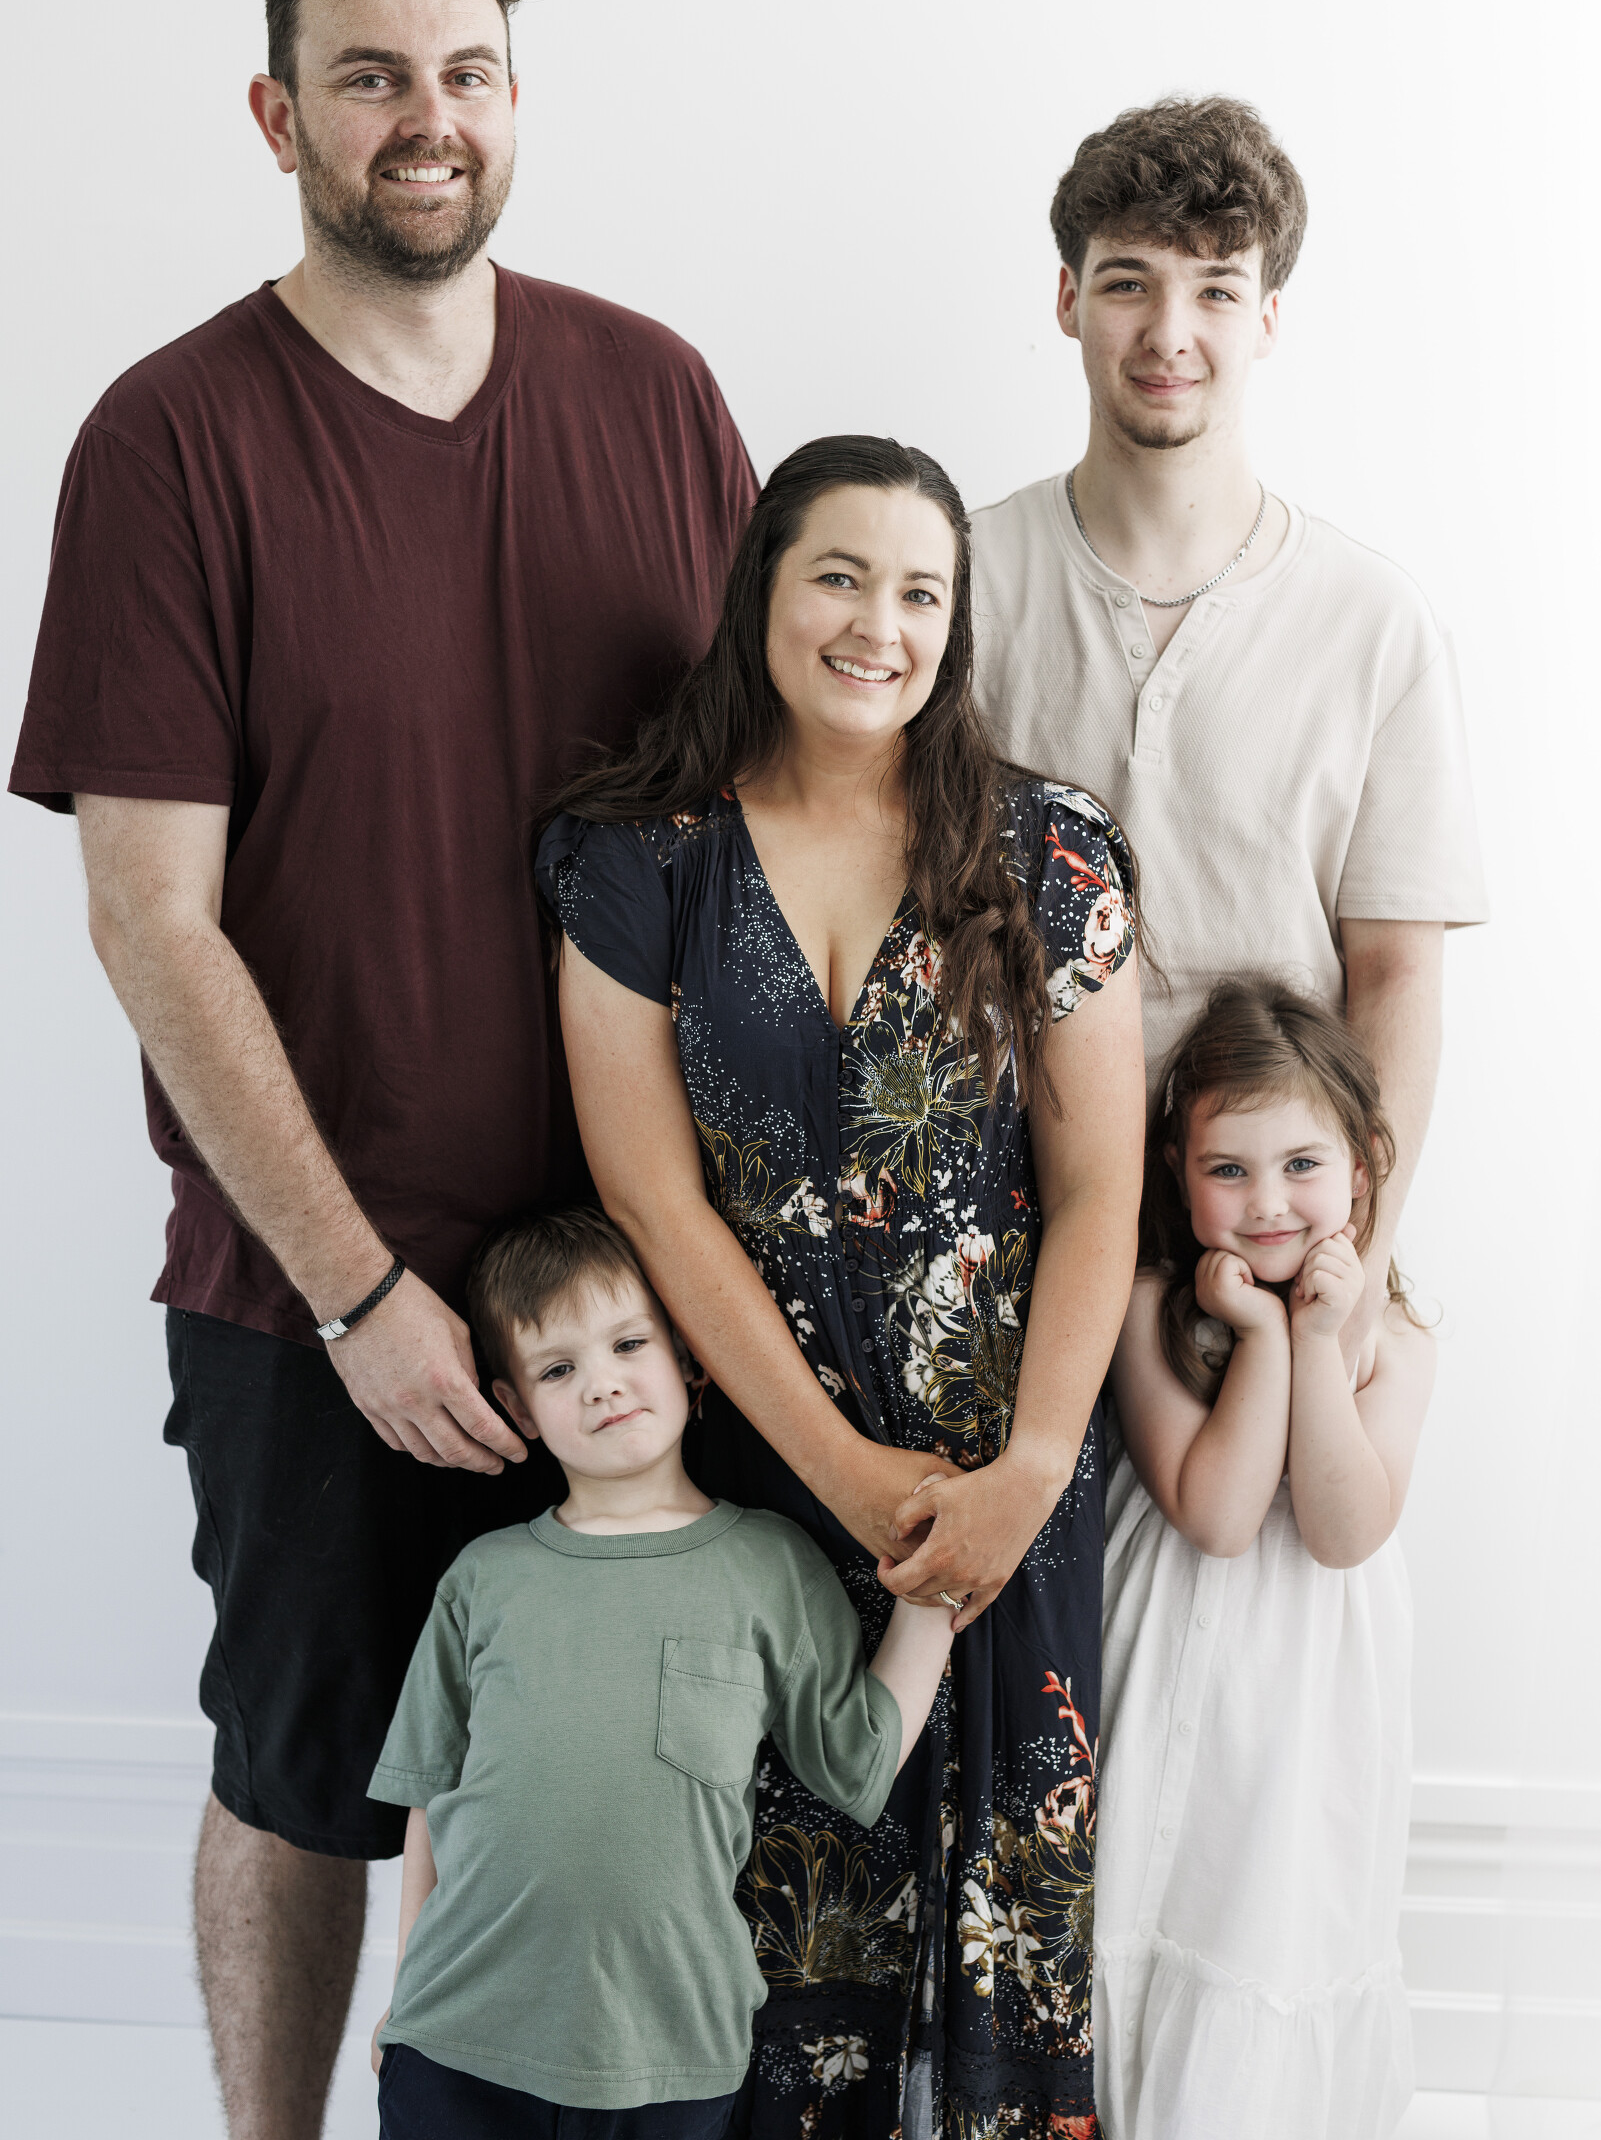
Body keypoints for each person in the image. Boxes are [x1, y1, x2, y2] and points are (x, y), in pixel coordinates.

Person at [7, 0, 755, 2138]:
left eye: (464, 74)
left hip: (635, 1276)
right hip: (318, 1290)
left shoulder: (654, 395)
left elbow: (772, 807)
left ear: (515, 101)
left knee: (603, 1776)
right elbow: (151, 922)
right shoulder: (170, 442)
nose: (425, 121)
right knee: (306, 1776)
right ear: (277, 116)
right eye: (367, 78)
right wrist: (355, 1293)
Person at [535, 435, 1147, 2139]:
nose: (882, 625)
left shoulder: (1050, 850)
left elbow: (1101, 1190)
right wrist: (844, 1473)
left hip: (1005, 1491)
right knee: (771, 1951)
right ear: (763, 593)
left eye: (922, 593)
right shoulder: (635, 858)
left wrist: (1028, 1471)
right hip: (753, 1484)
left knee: (1006, 1930)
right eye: (841, 577)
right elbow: (652, 1200)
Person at [969, 95, 1486, 1356]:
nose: (1168, 333)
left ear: (1265, 318)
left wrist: (1351, 1277)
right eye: (1127, 283)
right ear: (1066, 300)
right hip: (1005, 1245)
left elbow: (1395, 973)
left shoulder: (1374, 623)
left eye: (1214, 289)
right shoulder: (954, 587)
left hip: (1272, 1261)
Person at [367, 1204, 956, 2138]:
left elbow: (860, 1756)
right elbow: (429, 1797)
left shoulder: (768, 1564)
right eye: (558, 1369)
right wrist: (404, 1994)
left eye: (628, 1344)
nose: (602, 1384)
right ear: (517, 1408)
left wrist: (940, 1588)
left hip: (673, 2057)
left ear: (687, 1355)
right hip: (456, 2047)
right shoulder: (484, 1578)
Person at [1094, 977, 1436, 2136]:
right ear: (1175, 1172)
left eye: (1300, 1164)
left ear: (1361, 1167)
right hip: (1175, 1643)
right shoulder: (1147, 1304)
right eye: (1226, 1170)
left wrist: (1318, 1334)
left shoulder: (1393, 1342)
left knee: (1273, 1904)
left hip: (1309, 1678)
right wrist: (1254, 1335)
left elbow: (1339, 1531)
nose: (1268, 1202)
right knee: (1160, 1875)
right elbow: (1219, 1514)